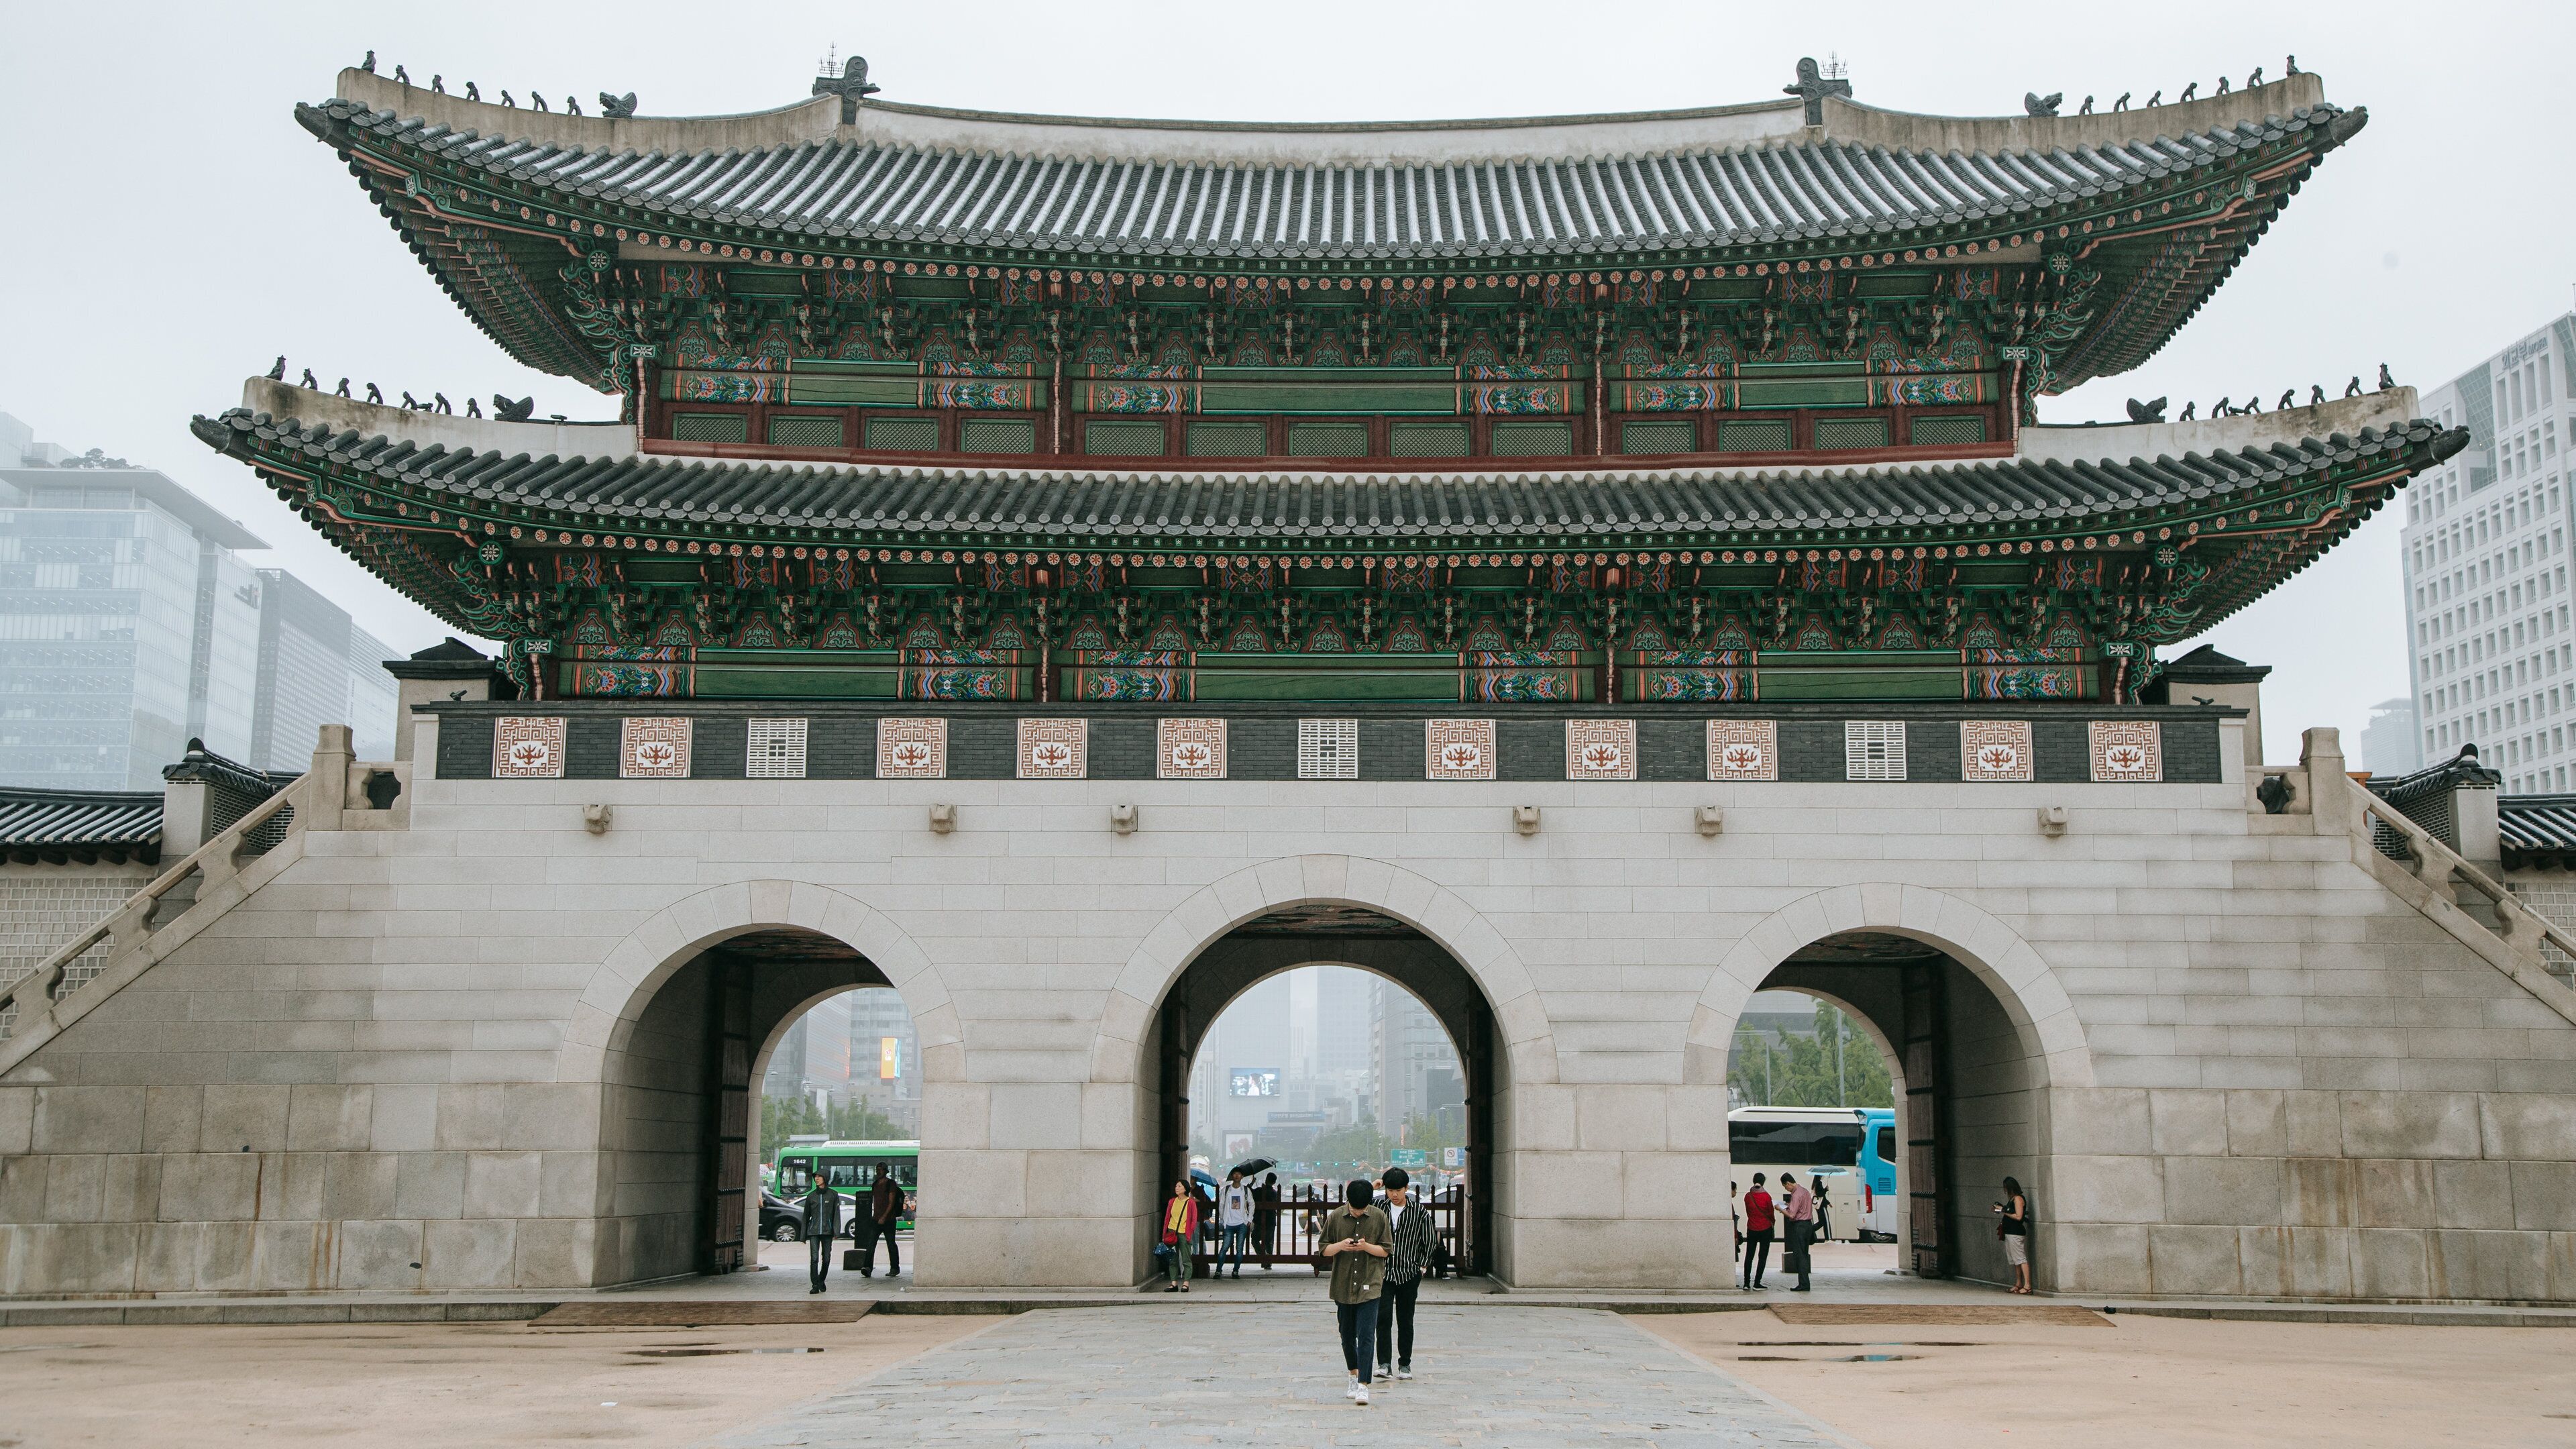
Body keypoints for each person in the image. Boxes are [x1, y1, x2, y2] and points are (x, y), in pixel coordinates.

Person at [1319, 1177, 1391, 1405]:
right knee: (1347, 1335)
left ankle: (1363, 1385)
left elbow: (1386, 1251)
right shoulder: (1336, 1217)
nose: (1358, 1213)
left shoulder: (1379, 1217)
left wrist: (1366, 1246)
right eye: (1354, 1210)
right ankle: (1353, 1374)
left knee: (1367, 1335)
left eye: (1362, 1210)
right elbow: (1324, 1250)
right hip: (1343, 1285)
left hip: (1370, 1284)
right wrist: (1341, 1245)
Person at [1375, 1167, 1436, 1381]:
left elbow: (1430, 1241)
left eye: (1398, 1190)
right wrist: (1372, 1187)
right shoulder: (1378, 1207)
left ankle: (1405, 1364)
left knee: (1405, 1320)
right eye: (1390, 1190)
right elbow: (1353, 1205)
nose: (1394, 1195)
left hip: (1409, 1273)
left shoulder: (1419, 1211)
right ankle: (1384, 1364)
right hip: (1383, 1273)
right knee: (1382, 1319)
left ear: (1406, 1188)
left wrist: (1422, 1266)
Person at [855, 1163, 903, 1277]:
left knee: (891, 1244)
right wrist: (876, 1216)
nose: (878, 1172)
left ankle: (895, 1268)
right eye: (877, 1170)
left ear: (886, 1171)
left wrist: (884, 1216)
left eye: (881, 1170)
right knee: (871, 1244)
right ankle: (867, 1267)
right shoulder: (875, 1184)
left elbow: (891, 1202)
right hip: (876, 1219)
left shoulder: (891, 1184)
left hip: (889, 1220)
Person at [798, 1174, 841, 1294]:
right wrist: (803, 1236)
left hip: (828, 1232)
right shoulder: (811, 1196)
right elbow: (806, 1216)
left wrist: (836, 1231)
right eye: (815, 1177)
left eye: (819, 1177)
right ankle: (815, 1285)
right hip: (814, 1232)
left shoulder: (833, 1195)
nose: (816, 1179)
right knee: (814, 1259)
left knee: (826, 1259)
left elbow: (836, 1214)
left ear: (825, 1179)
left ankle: (821, 1279)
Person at [1159, 1177, 1201, 1292]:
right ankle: (1174, 1283)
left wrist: (1189, 1233)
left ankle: (1186, 1283)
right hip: (1172, 1232)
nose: (1177, 1188)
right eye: (1176, 1186)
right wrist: (1165, 1233)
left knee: (1186, 1259)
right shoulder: (1172, 1201)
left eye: (1179, 1186)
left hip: (1184, 1233)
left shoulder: (1190, 1202)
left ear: (1185, 1189)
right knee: (1173, 1259)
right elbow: (1167, 1217)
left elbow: (1193, 1220)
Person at [1780, 1171, 1816, 1292]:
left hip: (1799, 1226)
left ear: (1788, 1183)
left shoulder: (1796, 1195)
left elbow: (1792, 1215)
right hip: (1808, 1225)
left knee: (1800, 1255)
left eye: (1785, 1186)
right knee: (1804, 1254)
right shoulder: (1805, 1191)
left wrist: (1780, 1209)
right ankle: (1804, 1283)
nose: (1786, 1189)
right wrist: (1789, 1205)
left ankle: (1804, 1284)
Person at [1996, 1176, 2032, 1294]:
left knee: (2020, 1258)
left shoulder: (2018, 1199)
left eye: (2006, 1188)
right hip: (2010, 1232)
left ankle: (2027, 1285)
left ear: (2010, 1188)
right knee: (2015, 1259)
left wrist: (2004, 1211)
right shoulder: (2012, 1199)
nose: (2005, 1190)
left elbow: (2019, 1216)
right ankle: (2019, 1283)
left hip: (2016, 1232)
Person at [1739, 1173, 1774, 1289]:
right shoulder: (1767, 1196)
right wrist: (1772, 1223)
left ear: (1753, 1181)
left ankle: (1746, 1283)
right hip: (1765, 1228)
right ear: (1763, 1182)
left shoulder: (1748, 1196)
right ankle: (1757, 1282)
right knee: (1762, 1256)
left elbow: (1748, 1212)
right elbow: (1771, 1213)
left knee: (1749, 1255)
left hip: (1752, 1228)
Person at [1218, 1169, 1254, 1279]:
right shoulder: (1226, 1190)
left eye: (1239, 1174)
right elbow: (1221, 1205)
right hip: (1228, 1222)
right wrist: (1223, 1219)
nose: (1237, 1176)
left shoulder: (1246, 1190)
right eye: (1235, 1174)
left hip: (1241, 1222)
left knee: (1239, 1248)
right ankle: (1218, 1271)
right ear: (1232, 1176)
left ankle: (1236, 1271)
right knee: (1224, 1247)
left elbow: (1252, 1204)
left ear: (1242, 1176)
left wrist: (1249, 1219)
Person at [1253, 1171, 1282, 1266]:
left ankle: (1264, 1256)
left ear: (1266, 1180)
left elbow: (1249, 1193)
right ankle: (1268, 1262)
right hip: (1271, 1220)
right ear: (1274, 1182)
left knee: (1255, 1239)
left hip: (1259, 1220)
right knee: (1269, 1242)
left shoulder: (1259, 1191)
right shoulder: (1275, 1193)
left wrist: (1252, 1183)